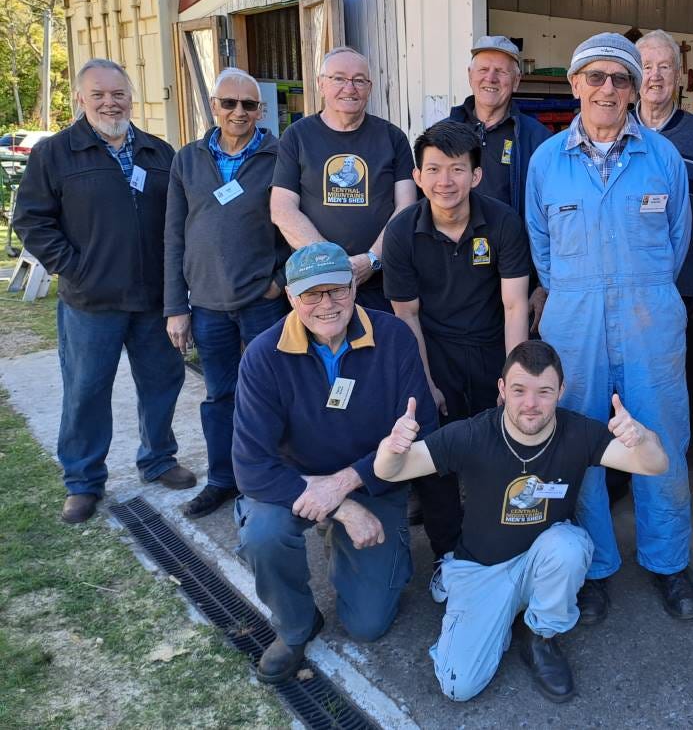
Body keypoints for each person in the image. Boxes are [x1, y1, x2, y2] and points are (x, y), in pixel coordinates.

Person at [374, 340, 669, 703]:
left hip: (542, 564)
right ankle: (493, 616)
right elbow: (390, 472)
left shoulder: (578, 433)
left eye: (544, 392)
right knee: (458, 686)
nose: (531, 404)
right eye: (519, 390)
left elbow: (655, 464)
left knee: (570, 546)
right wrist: (391, 450)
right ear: (502, 390)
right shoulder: (473, 435)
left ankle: (540, 637)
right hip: (481, 568)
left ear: (561, 390)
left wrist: (643, 438)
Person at [526, 32, 693, 623]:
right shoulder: (546, 161)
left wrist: (636, 289)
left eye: (619, 79)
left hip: (650, 317)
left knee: (661, 442)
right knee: (580, 446)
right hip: (573, 320)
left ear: (634, 90)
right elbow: (542, 253)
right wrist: (587, 294)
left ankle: (669, 563)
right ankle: (595, 567)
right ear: (574, 84)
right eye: (595, 76)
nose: (607, 88)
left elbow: (678, 242)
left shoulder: (663, 158)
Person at [231, 242, 436, 684]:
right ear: (291, 298)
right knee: (263, 535)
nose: (327, 304)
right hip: (296, 484)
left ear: (354, 287)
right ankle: (296, 625)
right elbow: (250, 466)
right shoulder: (263, 356)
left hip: (373, 479)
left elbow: (426, 431)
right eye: (312, 294)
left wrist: (347, 484)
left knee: (368, 625)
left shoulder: (394, 336)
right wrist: (338, 504)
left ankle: (349, 543)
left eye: (337, 290)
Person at [14, 58, 193, 525]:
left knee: (162, 383)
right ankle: (83, 481)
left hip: (153, 299)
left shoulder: (159, 153)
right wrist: (75, 268)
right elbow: (31, 221)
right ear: (80, 99)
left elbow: (178, 223)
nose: (109, 102)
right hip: (90, 302)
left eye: (118, 93)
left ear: (131, 97)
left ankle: (157, 459)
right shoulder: (55, 153)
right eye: (98, 94)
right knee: (86, 391)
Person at [383, 120, 531, 575]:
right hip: (433, 349)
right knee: (436, 453)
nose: (445, 181)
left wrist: (515, 379)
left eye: (457, 169)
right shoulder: (402, 232)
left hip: (493, 348)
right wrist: (425, 381)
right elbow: (407, 315)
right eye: (434, 170)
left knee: (502, 448)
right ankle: (447, 554)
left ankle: (503, 545)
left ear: (476, 175)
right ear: (418, 175)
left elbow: (513, 306)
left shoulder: (503, 221)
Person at [164, 67, 290, 518]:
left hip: (262, 301)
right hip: (207, 306)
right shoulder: (188, 159)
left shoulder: (280, 155)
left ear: (261, 109)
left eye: (249, 104)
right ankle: (223, 478)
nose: (239, 112)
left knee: (272, 391)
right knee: (220, 395)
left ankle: (271, 476)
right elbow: (174, 236)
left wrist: (281, 280)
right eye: (230, 103)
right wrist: (176, 306)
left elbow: (297, 224)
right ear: (213, 106)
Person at [270, 46, 417, 312]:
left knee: (380, 350)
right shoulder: (297, 136)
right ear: (321, 84)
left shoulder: (393, 138)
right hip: (317, 283)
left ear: (369, 88)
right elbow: (281, 209)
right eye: (339, 78)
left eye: (359, 80)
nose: (350, 88)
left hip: (381, 282)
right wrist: (331, 261)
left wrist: (371, 260)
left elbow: (406, 207)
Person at [636, 31, 693, 437]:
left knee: (679, 385)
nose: (655, 76)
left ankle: (674, 462)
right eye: (646, 67)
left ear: (680, 76)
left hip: (682, 290)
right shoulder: (611, 131)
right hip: (628, 288)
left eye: (664, 67)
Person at [448, 36, 551, 216]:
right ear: (470, 76)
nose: (490, 78)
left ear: (516, 81)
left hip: (512, 243)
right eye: (483, 69)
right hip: (454, 243)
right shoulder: (444, 134)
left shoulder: (540, 140)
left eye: (501, 71)